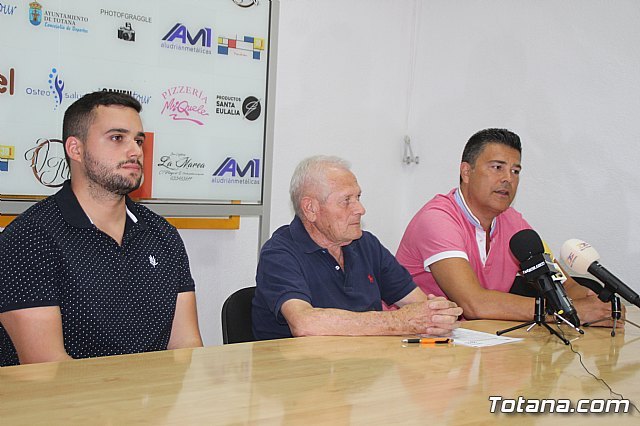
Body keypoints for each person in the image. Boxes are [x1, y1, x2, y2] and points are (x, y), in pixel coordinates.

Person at [0, 91, 203, 366]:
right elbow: (47, 368)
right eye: (117, 138)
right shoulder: (28, 240)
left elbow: (185, 346)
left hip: (153, 402)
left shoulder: (163, 235)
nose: (135, 151)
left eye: (138, 140)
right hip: (66, 406)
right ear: (76, 149)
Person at [396, 128, 614, 325]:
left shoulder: (513, 222)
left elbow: (563, 283)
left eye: (515, 171)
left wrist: (598, 307)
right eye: (497, 167)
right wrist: (567, 312)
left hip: (474, 342)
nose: (508, 179)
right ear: (466, 172)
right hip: (414, 339)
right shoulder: (437, 219)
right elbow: (474, 304)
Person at [252, 155, 462, 340]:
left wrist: (439, 314)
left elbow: (418, 305)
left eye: (358, 197)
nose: (360, 209)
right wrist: (398, 322)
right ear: (311, 209)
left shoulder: (366, 244)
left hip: (359, 371)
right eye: (346, 201)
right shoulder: (279, 254)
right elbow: (305, 324)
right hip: (298, 376)